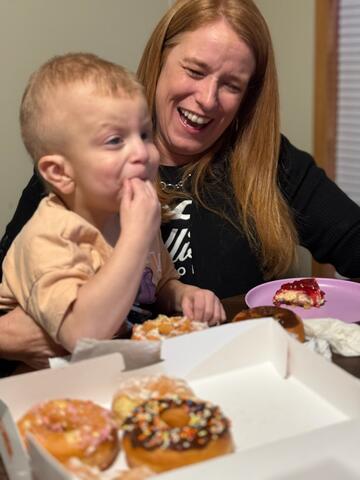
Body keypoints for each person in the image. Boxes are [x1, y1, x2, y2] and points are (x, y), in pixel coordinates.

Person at [1, 0, 360, 371]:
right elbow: (31, 301)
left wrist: (180, 291)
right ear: (160, 59)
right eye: (194, 70)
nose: (207, 100)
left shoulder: (269, 161)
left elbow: (158, 282)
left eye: (231, 85)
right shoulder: (79, 182)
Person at [0, 52, 225, 373]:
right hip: (44, 388)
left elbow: (155, 283)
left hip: (117, 368)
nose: (142, 152)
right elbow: (82, 335)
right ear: (61, 173)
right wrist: (135, 237)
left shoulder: (128, 215)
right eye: (115, 140)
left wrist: (181, 294)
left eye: (144, 134)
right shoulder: (49, 238)